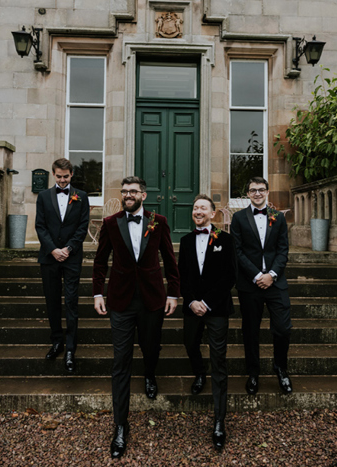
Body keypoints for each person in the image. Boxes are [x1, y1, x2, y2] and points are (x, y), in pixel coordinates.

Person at [92, 176, 180, 459]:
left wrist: (173, 294)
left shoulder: (159, 221)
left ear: (143, 194)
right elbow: (100, 261)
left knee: (151, 345)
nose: (128, 195)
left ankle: (151, 374)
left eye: (133, 191)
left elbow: (170, 259)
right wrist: (97, 294)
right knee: (121, 360)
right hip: (120, 300)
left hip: (153, 298)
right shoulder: (110, 223)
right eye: (124, 191)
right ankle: (120, 426)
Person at [178, 194, 236, 451]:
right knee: (190, 344)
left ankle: (219, 420)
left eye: (203, 208)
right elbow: (182, 276)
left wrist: (208, 303)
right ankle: (199, 373)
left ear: (213, 214)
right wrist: (191, 301)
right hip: (192, 307)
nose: (198, 211)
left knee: (219, 359)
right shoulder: (186, 240)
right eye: (195, 208)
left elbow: (229, 277)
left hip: (217, 308)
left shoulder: (226, 240)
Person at [230, 176, 292, 396]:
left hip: (276, 283)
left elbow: (283, 249)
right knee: (250, 331)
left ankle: (281, 369)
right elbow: (237, 252)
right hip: (250, 284)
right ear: (247, 194)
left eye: (261, 189)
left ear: (267, 192)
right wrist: (257, 275)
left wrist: (272, 275)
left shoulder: (278, 217)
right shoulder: (238, 218)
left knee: (283, 329)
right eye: (253, 190)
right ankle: (253, 373)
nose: (257, 193)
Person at [35, 158, 90, 373]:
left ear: (72, 174)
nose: (63, 180)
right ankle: (56, 341)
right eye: (59, 176)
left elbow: (83, 226)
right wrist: (53, 250)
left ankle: (70, 348)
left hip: (72, 257)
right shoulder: (43, 197)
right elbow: (40, 226)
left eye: (66, 176)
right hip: (49, 258)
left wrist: (68, 249)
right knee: (52, 301)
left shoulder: (81, 197)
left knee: (71, 302)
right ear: (53, 174)